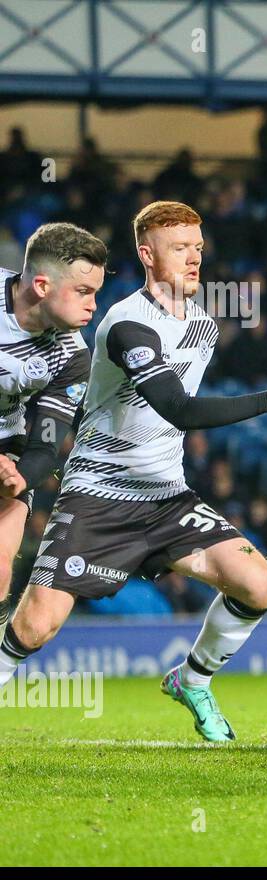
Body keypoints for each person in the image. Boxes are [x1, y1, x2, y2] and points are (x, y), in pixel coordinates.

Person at [1, 201, 267, 740]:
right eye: (180, 248)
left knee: (259, 585)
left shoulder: (202, 323)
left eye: (198, 247)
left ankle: (192, 680)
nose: (194, 258)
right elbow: (178, 408)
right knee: (36, 627)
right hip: (97, 494)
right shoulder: (127, 324)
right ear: (147, 255)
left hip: (166, 495)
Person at [0, 223, 106, 673]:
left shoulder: (73, 355)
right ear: (41, 285)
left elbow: (47, 439)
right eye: (83, 291)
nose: (93, 305)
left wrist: (21, 476)